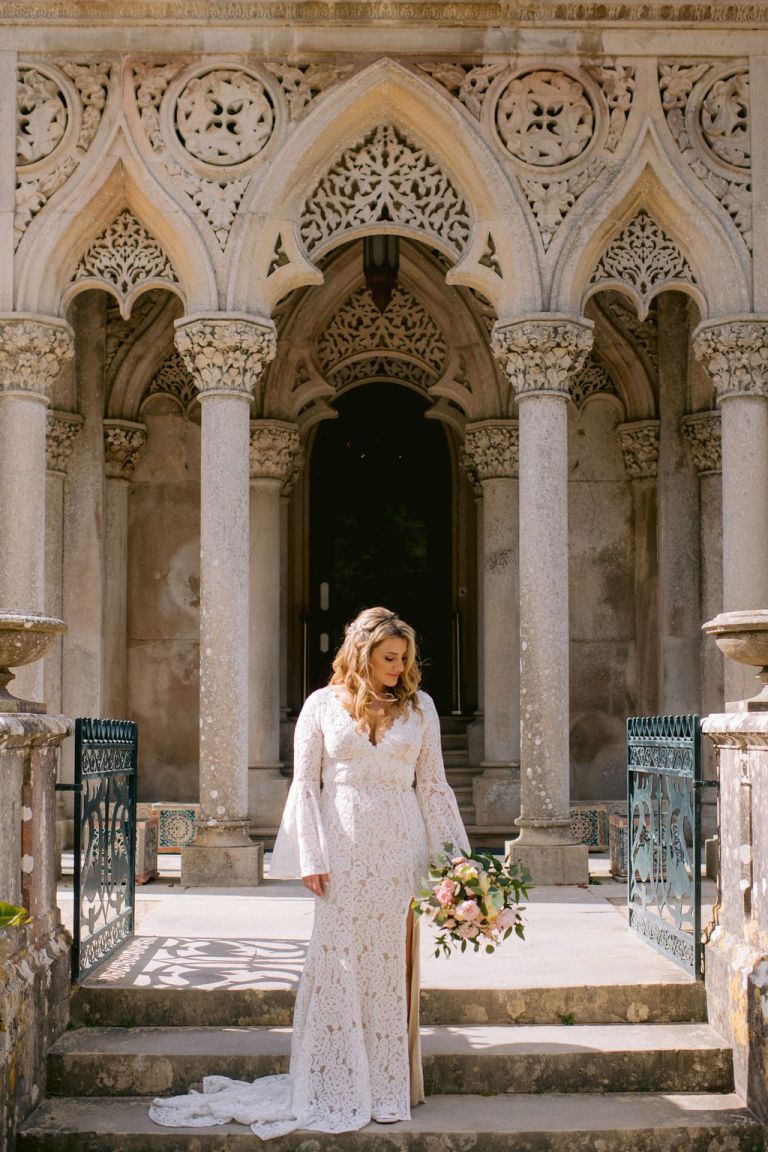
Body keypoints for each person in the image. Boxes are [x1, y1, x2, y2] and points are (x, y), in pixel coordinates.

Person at [149, 606, 469, 1138]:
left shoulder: (422, 708)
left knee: (388, 966)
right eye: (389, 658)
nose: (398, 668)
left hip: (398, 851)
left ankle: (388, 1089)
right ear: (362, 653)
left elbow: (432, 786)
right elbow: (306, 785)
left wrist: (457, 862)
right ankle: (333, 1083)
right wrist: (310, 857)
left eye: (404, 659)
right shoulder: (321, 705)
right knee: (338, 961)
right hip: (341, 850)